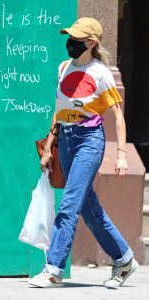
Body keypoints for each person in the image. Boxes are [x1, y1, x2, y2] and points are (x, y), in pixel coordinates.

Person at [28, 17, 139, 288]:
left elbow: (117, 116)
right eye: (70, 36)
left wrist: (122, 153)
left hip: (89, 141)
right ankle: (124, 260)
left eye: (77, 39)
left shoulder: (101, 73)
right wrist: (50, 146)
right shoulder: (64, 67)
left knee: (68, 204)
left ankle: (53, 269)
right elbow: (59, 111)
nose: (71, 42)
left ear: (91, 43)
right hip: (66, 140)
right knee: (89, 209)